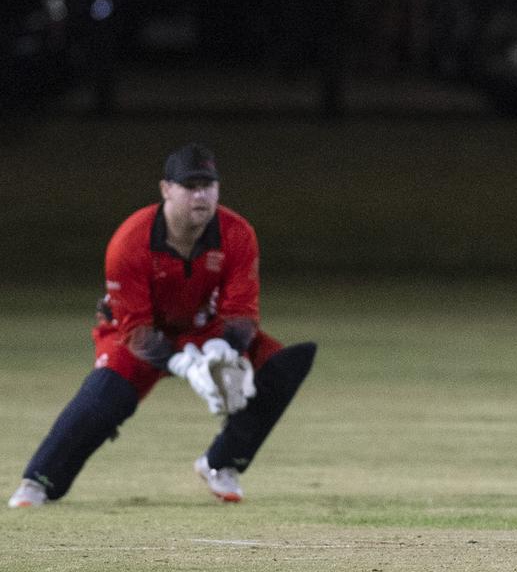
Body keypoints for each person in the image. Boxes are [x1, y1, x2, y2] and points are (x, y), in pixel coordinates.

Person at [8, 144, 317, 508]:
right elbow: (136, 326)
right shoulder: (130, 241)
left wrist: (223, 351)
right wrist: (186, 364)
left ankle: (221, 464)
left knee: (284, 366)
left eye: (208, 185)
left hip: (205, 330)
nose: (200, 195)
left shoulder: (237, 233)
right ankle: (39, 481)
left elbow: (241, 310)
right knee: (106, 396)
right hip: (137, 332)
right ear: (166, 189)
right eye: (190, 186)